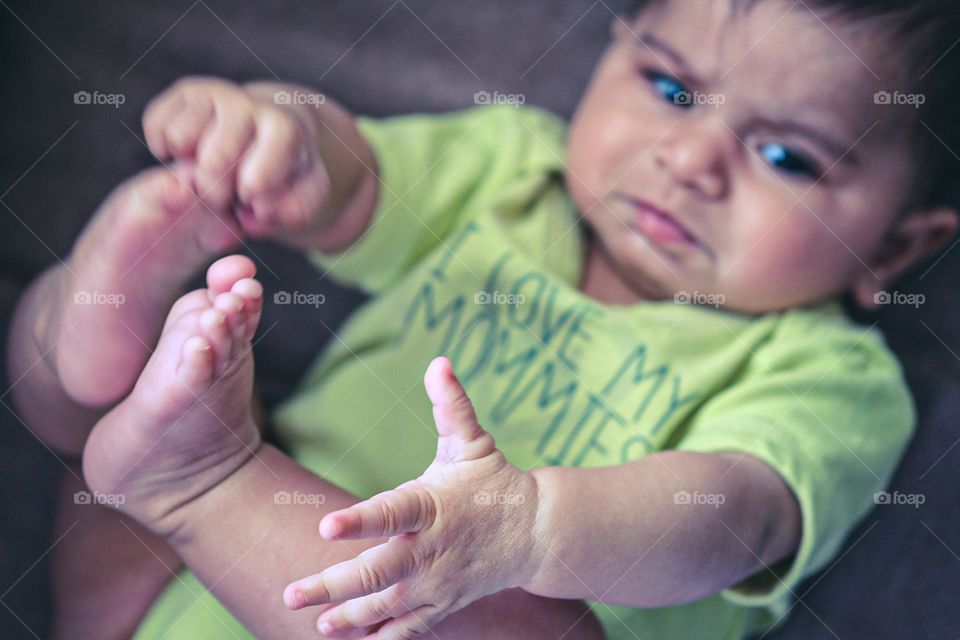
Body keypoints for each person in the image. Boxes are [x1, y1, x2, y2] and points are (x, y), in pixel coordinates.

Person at [9, 0, 958, 638]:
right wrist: (280, 140)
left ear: (895, 250)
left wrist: (534, 531)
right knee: (111, 399)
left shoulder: (831, 376)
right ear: (613, 50)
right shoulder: (510, 171)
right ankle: (114, 321)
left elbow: (735, 516)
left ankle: (201, 477)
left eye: (787, 158)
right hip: (176, 593)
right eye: (671, 91)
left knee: (528, 625)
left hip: (420, 613)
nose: (691, 161)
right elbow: (354, 181)